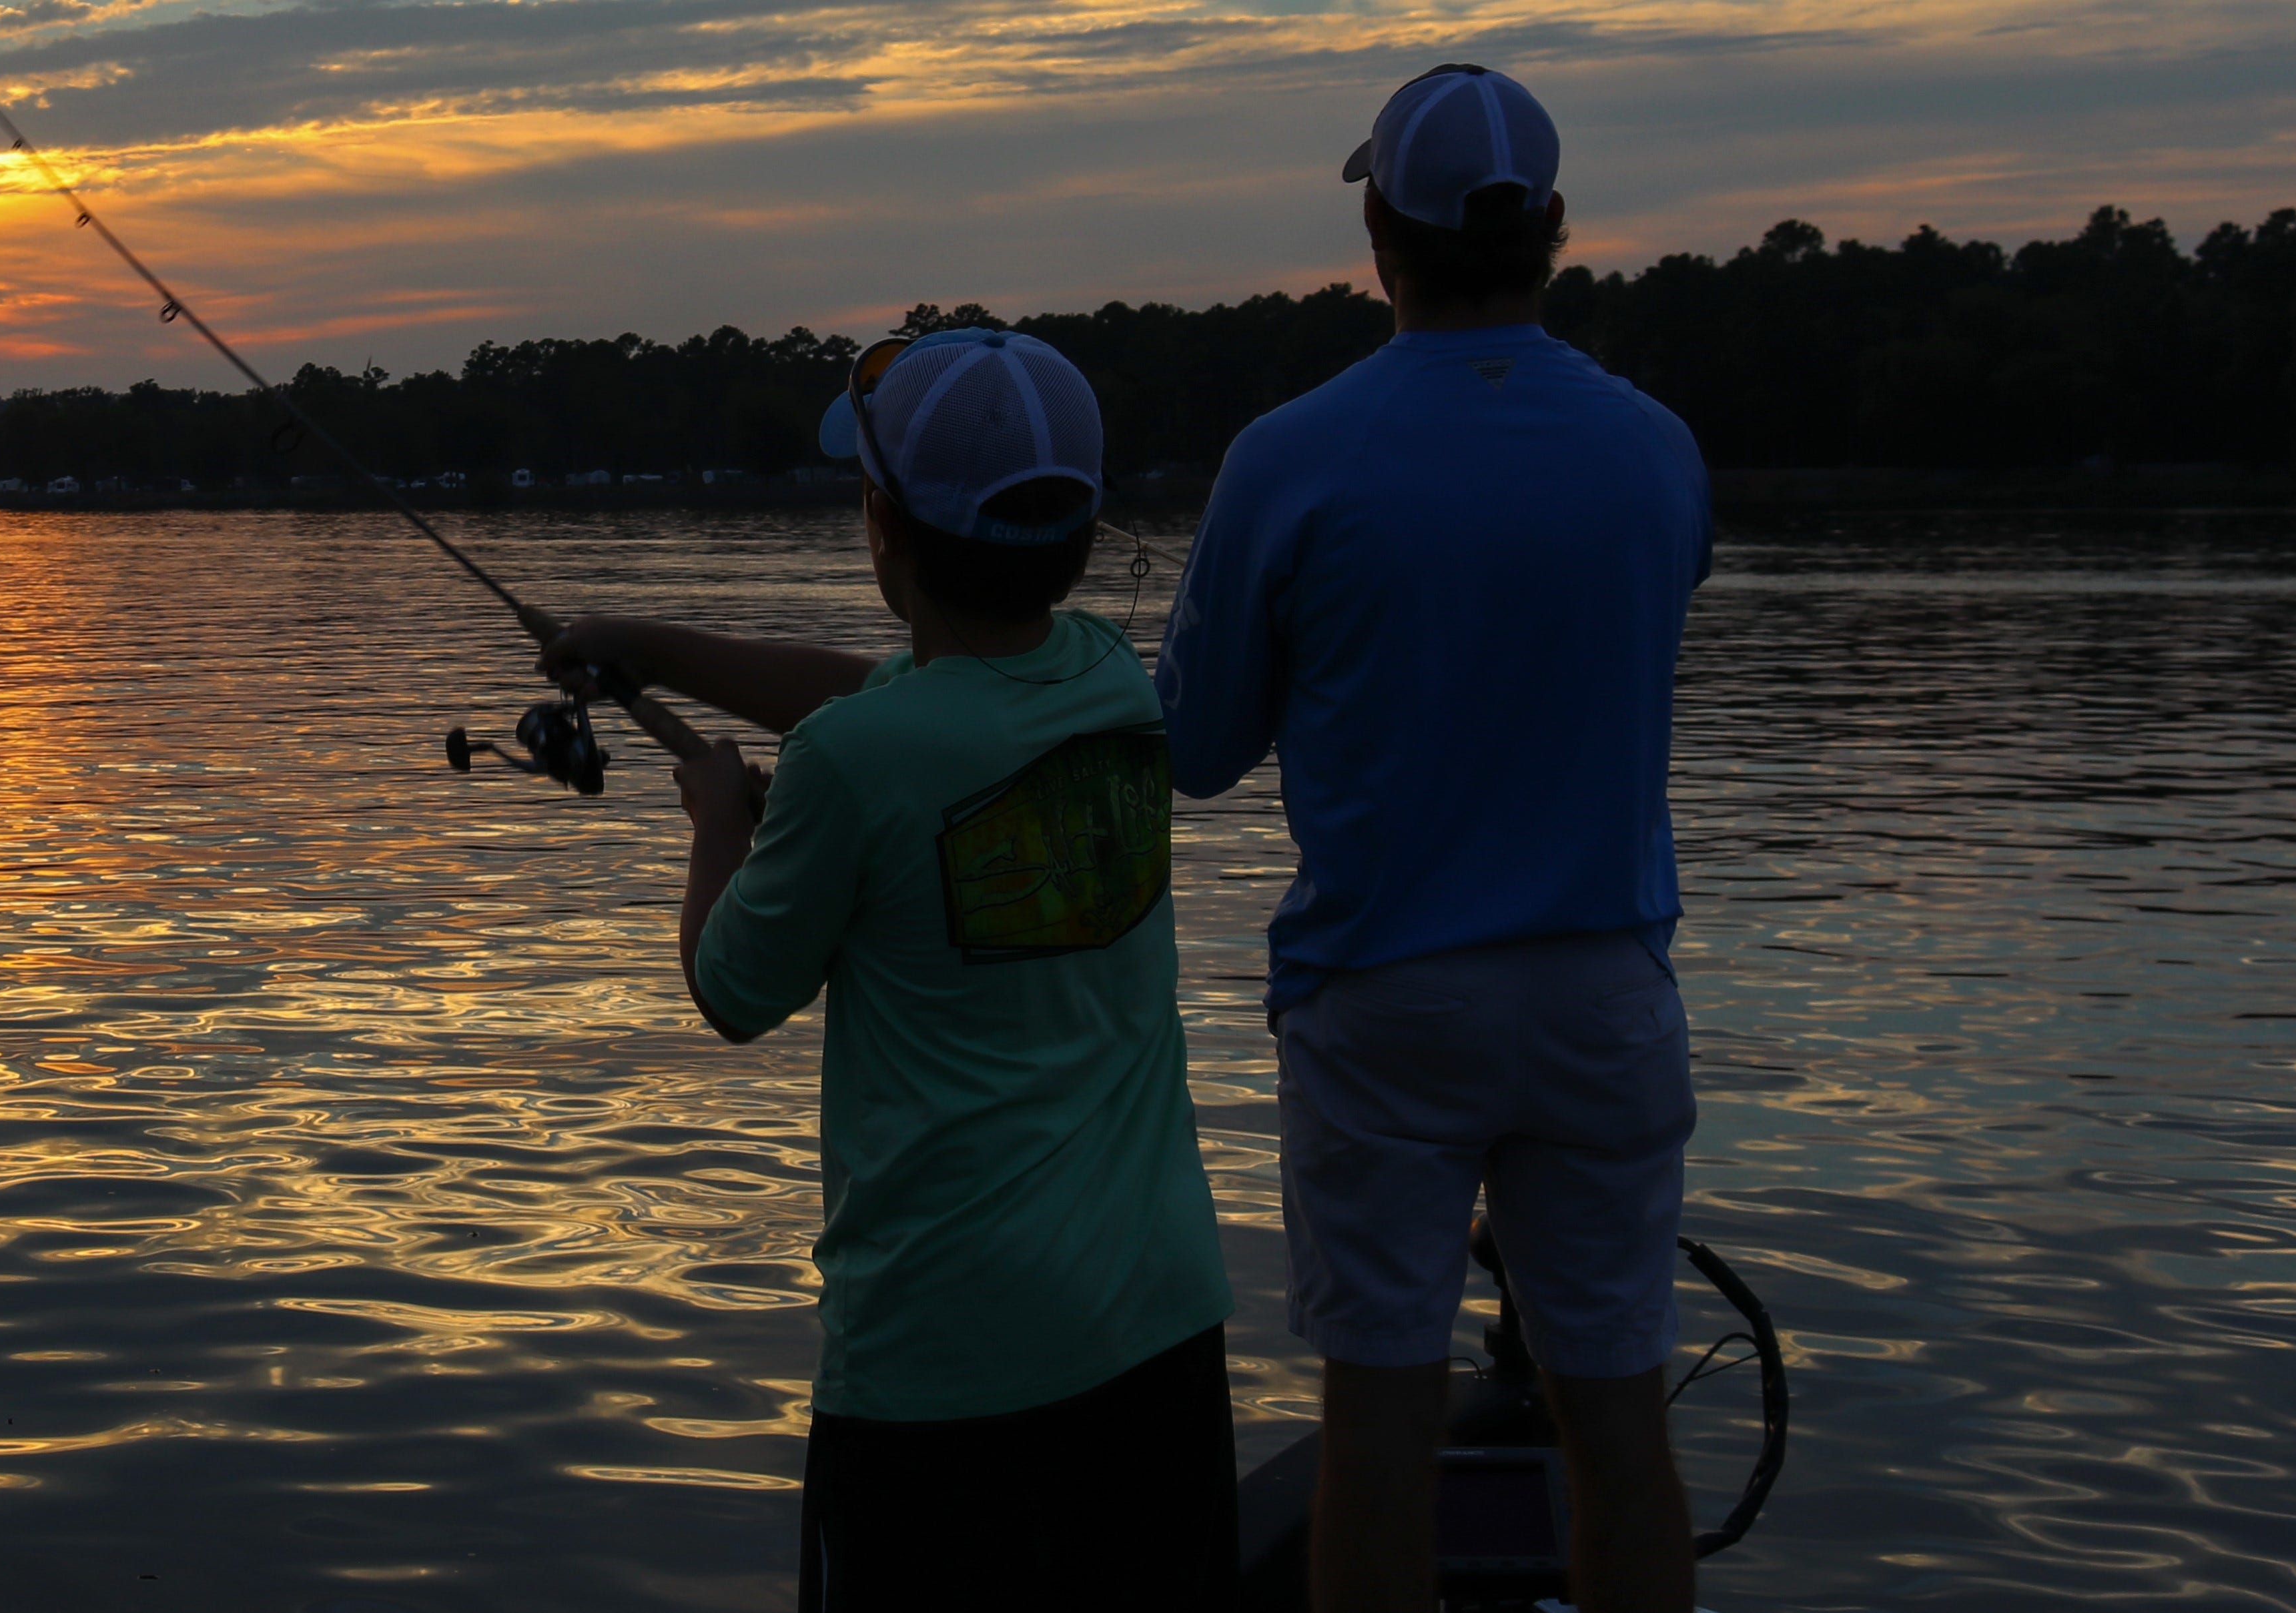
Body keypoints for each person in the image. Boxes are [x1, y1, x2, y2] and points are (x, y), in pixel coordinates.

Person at [541, 328, 1235, 1610]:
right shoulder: (1109, 684)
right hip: (1157, 1321)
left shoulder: (851, 766)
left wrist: (718, 826)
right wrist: (650, 645)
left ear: (881, 524)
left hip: (943, 1358)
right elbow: (882, 695)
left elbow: (733, 990)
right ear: (1077, 530)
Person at [1154, 63, 1714, 1613]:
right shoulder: (1657, 449)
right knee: (1616, 1420)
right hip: (1605, 994)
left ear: (1375, 233)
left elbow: (1193, 754)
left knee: (1377, 1425)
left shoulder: (1288, 455)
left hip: (1384, 1003)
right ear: (1547, 229)